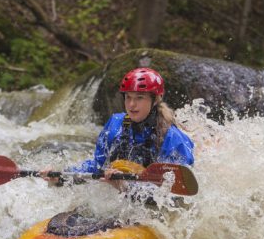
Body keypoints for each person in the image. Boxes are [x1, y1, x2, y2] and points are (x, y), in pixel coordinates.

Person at [42, 67, 194, 186]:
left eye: (139, 98)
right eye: (128, 97)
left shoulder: (172, 138)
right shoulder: (116, 125)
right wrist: (62, 176)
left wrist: (125, 188)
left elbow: (172, 195)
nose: (132, 105)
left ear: (155, 100)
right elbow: (97, 166)